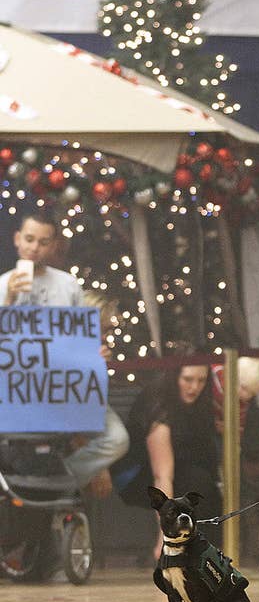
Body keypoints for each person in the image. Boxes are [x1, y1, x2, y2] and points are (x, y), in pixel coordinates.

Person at [0, 209, 129, 496]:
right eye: (30, 239)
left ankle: (58, 480)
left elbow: (76, 339)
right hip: (17, 394)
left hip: (63, 390)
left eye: (43, 242)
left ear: (54, 245)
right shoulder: (1, 284)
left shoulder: (67, 284)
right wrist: (9, 298)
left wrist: (94, 355)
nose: (35, 248)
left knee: (117, 438)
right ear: (17, 240)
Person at [112, 360, 222, 551]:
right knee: (199, 484)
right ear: (175, 377)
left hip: (179, 467)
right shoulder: (159, 404)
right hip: (137, 474)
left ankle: (205, 555)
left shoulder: (201, 403)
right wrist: (165, 536)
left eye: (201, 380)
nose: (194, 387)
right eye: (188, 379)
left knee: (206, 486)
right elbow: (162, 475)